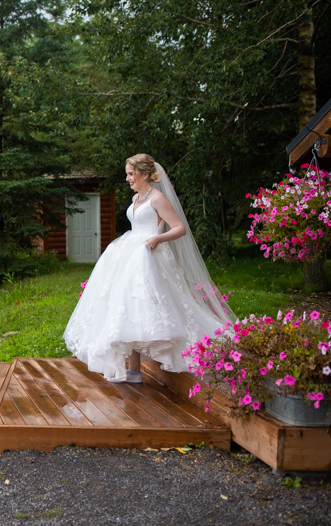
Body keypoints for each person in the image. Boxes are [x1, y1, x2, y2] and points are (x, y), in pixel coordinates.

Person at [63, 154, 235, 383]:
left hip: (149, 255)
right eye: (127, 174)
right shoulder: (137, 198)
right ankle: (134, 371)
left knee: (158, 308)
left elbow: (179, 228)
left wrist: (158, 239)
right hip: (130, 253)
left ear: (145, 174)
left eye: (131, 174)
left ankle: (205, 350)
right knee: (131, 309)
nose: (127, 178)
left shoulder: (157, 198)